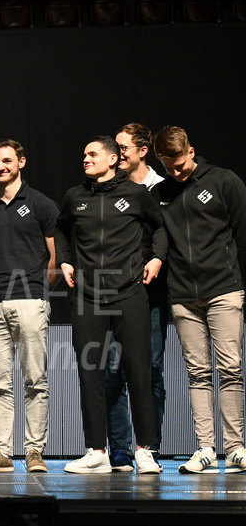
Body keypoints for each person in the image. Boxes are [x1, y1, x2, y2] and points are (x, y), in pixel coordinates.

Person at [55, 136, 165, 475]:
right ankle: (97, 451)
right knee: (91, 374)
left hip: (129, 294)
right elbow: (60, 229)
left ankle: (145, 451)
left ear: (113, 158)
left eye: (92, 154)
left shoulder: (136, 194)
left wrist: (157, 257)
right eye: (84, 155)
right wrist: (65, 260)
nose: (85, 159)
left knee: (138, 372)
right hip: (87, 297)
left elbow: (160, 227)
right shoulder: (75, 196)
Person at [151, 126, 246, 474]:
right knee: (198, 373)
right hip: (183, 295)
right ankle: (205, 448)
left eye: (179, 165)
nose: (175, 172)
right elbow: (161, 237)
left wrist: (236, 280)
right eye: (167, 166)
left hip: (224, 289)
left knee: (230, 370)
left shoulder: (223, 181)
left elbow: (242, 231)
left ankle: (235, 448)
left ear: (191, 151)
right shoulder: (161, 193)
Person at [0, 139, 57, 474]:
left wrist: (38, 291)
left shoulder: (41, 204)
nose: (0, 166)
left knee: (35, 380)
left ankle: (34, 452)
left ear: (21, 162)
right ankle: (2, 452)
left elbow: (54, 256)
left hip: (30, 301)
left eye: (6, 160)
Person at [104, 124, 168, 471]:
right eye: (115, 148)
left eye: (124, 147)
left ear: (143, 151)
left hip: (151, 292)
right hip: (115, 292)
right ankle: (119, 449)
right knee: (113, 369)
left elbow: (164, 233)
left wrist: (156, 259)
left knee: (151, 369)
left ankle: (149, 445)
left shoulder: (161, 189)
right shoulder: (110, 187)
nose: (118, 153)